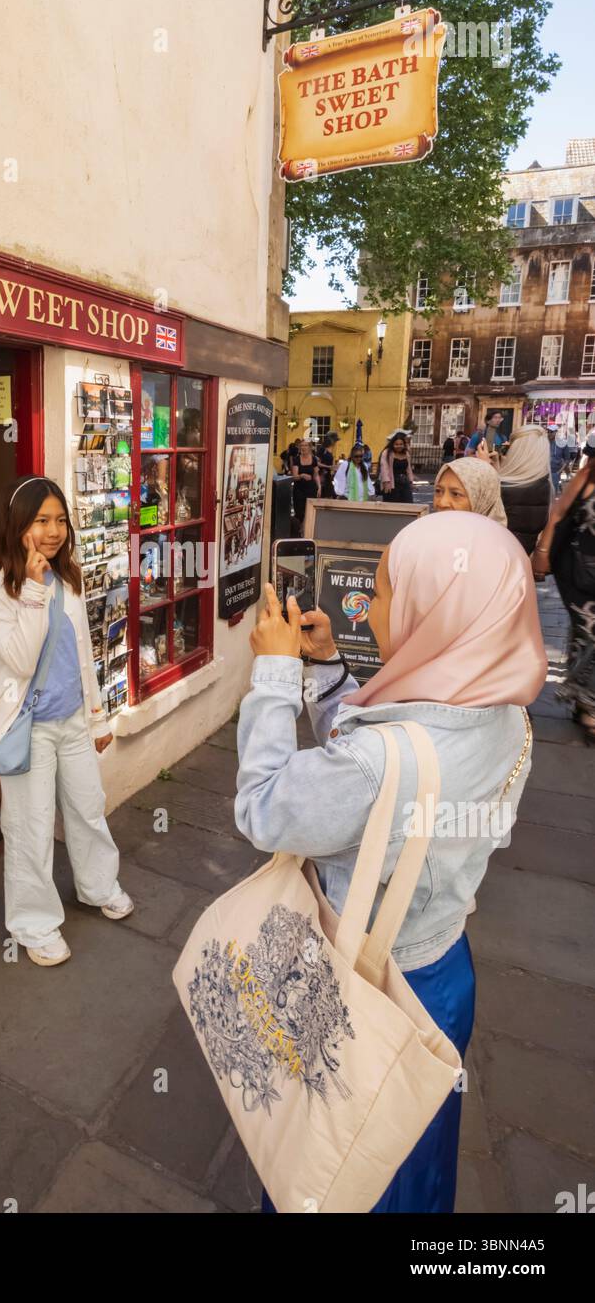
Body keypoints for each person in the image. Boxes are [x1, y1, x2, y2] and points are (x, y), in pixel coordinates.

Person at [235, 511, 547, 1212]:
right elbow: (383, 767)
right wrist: (327, 671)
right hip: (443, 974)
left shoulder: (382, 760)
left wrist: (276, 674)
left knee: (331, 1166)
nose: (368, 609)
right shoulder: (502, 714)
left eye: (382, 594)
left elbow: (263, 807)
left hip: (365, 985)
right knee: (412, 1161)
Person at [0, 476, 133, 967]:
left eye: (59, 520)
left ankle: (98, 885)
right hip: (26, 729)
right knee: (30, 829)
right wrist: (34, 591)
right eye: (41, 521)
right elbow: (18, 658)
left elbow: (82, 658)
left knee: (88, 809)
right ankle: (34, 924)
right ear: (18, 526)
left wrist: (97, 718)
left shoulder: (69, 580)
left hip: (72, 721)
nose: (53, 532)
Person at [531, 432, 595, 744]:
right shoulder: (586, 478)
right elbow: (557, 514)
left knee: (586, 639)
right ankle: (589, 709)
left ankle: (582, 698)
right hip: (581, 577)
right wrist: (542, 552)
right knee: (589, 634)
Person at [494, 424, 552, 555]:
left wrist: (484, 470)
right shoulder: (544, 484)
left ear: (517, 452)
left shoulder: (506, 487)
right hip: (523, 555)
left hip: (500, 556)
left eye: (510, 448)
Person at [433, 458, 506, 524]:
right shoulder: (430, 533)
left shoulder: (494, 538)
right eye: (438, 491)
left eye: (455, 494)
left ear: (483, 500)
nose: (442, 503)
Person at [290, 438, 320, 530]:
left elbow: (316, 475)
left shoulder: (314, 459)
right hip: (299, 490)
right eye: (302, 445)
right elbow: (294, 477)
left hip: (311, 489)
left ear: (310, 447)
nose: (303, 447)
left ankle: (307, 531)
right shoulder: (296, 459)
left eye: (306, 445)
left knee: (310, 512)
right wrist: (302, 475)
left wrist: (319, 487)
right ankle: (299, 531)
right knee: (299, 513)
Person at [378, 432, 414, 503]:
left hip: (404, 483)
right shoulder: (387, 452)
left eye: (401, 444)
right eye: (396, 444)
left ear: (404, 445)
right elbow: (384, 467)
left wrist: (411, 481)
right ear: (392, 444)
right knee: (392, 505)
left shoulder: (406, 453)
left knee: (408, 504)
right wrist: (386, 482)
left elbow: (408, 468)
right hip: (392, 484)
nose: (399, 446)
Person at [317, 432, 340, 498]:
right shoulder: (322, 449)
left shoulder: (329, 449)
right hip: (322, 477)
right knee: (324, 497)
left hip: (328, 476)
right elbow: (317, 463)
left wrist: (334, 467)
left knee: (330, 496)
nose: (335, 442)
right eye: (335, 440)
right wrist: (328, 467)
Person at [546, 424, 565, 494]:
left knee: (553, 491)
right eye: (548, 431)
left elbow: (566, 459)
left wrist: (559, 471)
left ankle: (559, 485)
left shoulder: (561, 443)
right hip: (545, 471)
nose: (549, 433)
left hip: (555, 471)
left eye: (551, 432)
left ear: (555, 432)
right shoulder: (544, 442)